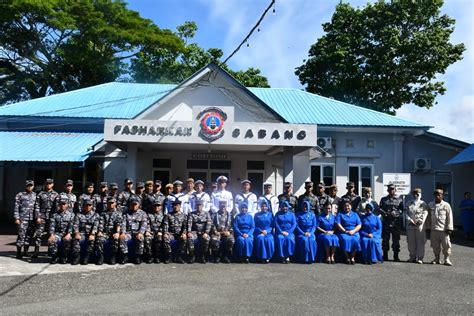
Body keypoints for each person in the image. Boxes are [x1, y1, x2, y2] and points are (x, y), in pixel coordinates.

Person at [33, 178, 58, 259]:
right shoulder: (40, 194)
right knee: (38, 234)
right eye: (47, 183)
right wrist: (38, 217)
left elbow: (57, 207)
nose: (48, 185)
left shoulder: (56, 194)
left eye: (50, 183)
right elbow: (37, 206)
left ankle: (50, 251)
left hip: (51, 218)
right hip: (42, 217)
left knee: (51, 234)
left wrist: (55, 218)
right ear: (45, 184)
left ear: (52, 184)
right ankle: (36, 251)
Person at [428, 189, 454, 266]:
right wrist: (428, 227)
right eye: (436, 195)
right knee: (435, 246)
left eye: (439, 195)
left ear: (442, 196)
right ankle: (437, 258)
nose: (437, 196)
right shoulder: (430, 205)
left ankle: (447, 259)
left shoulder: (446, 205)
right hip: (434, 229)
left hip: (443, 230)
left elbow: (450, 217)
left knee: (446, 245)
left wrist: (449, 228)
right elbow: (428, 217)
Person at [379, 184, 404, 261]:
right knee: (385, 240)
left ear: (395, 190)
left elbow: (402, 209)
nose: (391, 190)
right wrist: (386, 213)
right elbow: (379, 209)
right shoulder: (383, 199)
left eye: (393, 189)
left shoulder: (399, 200)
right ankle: (385, 255)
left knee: (396, 240)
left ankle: (396, 256)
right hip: (386, 222)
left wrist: (395, 213)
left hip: (395, 223)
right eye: (390, 189)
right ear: (387, 190)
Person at [14, 180, 37, 259]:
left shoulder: (35, 195)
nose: (30, 187)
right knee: (21, 235)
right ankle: (19, 252)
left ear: (33, 186)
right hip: (22, 219)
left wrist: (36, 218)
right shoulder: (20, 195)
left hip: (32, 220)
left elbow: (37, 208)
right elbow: (16, 207)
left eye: (31, 185)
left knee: (29, 236)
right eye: (28, 185)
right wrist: (16, 218)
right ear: (26, 186)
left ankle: (26, 252)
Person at [405, 188, 429, 263]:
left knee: (420, 242)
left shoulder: (423, 203)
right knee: (411, 242)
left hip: (419, 226)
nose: (417, 195)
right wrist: (409, 220)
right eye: (415, 194)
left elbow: (425, 213)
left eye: (418, 194)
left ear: (421, 194)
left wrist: (420, 221)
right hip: (410, 225)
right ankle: (412, 257)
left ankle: (420, 258)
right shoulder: (409, 203)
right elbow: (405, 213)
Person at [96, 197, 123, 265]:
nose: (111, 204)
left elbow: (118, 224)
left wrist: (117, 232)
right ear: (107, 204)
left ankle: (113, 256)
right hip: (105, 232)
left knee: (116, 238)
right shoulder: (103, 213)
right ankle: (100, 257)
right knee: (99, 238)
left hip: (114, 232)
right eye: (109, 203)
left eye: (112, 203)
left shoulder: (118, 213)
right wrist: (100, 231)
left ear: (115, 204)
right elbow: (101, 223)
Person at [121, 197, 148, 264]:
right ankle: (125, 256)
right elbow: (123, 223)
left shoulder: (143, 213)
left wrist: (141, 233)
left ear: (138, 205)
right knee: (122, 238)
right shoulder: (126, 213)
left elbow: (144, 224)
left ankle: (138, 256)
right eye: (132, 204)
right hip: (129, 233)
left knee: (141, 238)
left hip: (137, 233)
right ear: (130, 205)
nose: (134, 206)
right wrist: (123, 232)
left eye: (135, 204)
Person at [72, 199, 98, 265]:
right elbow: (75, 225)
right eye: (86, 205)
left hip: (91, 233)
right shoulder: (78, 215)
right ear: (83, 206)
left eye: (90, 205)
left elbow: (96, 225)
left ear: (92, 206)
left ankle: (87, 257)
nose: (88, 207)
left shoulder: (95, 215)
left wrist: (92, 234)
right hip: (81, 233)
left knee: (91, 240)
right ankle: (77, 257)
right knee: (76, 239)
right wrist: (77, 233)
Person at [48, 198, 75, 264]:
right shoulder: (54, 215)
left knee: (67, 240)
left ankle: (63, 257)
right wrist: (51, 235)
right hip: (57, 233)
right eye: (61, 204)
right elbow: (52, 225)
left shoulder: (71, 215)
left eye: (64, 204)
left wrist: (69, 234)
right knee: (51, 240)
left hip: (67, 233)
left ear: (67, 205)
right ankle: (54, 256)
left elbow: (71, 225)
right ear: (59, 205)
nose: (62, 205)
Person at [186, 199, 212, 263]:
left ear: (203, 206)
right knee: (190, 238)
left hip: (203, 232)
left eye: (200, 205)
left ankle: (202, 256)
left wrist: (206, 232)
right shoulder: (191, 214)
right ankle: (192, 255)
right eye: (197, 205)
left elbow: (209, 224)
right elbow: (189, 223)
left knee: (207, 239)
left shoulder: (207, 214)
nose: (198, 206)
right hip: (194, 232)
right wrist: (189, 232)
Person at [253, 199, 274, 263]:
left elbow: (272, 225)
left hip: (268, 232)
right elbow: (254, 225)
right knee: (260, 239)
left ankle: (268, 257)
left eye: (265, 206)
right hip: (259, 232)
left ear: (268, 207)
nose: (264, 208)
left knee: (269, 239)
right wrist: (261, 231)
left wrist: (267, 231)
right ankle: (261, 257)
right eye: (262, 206)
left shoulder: (270, 214)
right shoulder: (257, 215)